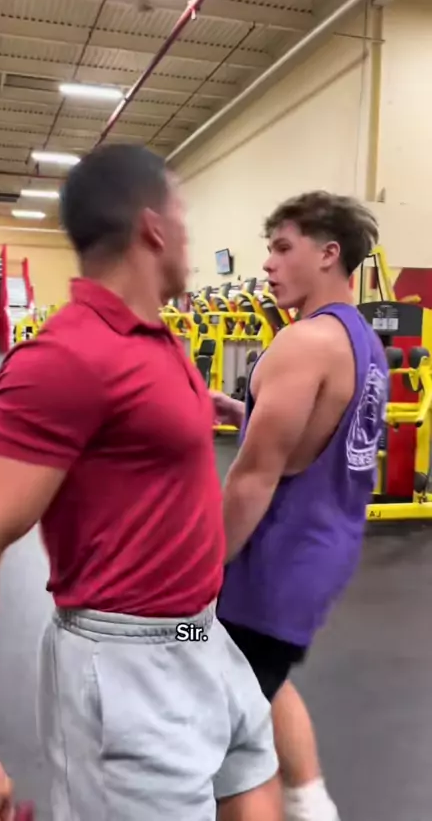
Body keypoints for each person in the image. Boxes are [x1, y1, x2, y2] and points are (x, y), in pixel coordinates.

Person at [0, 145, 281, 821]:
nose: (190, 235)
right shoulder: (64, 357)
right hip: (126, 664)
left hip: (198, 635)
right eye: (183, 214)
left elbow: (133, 414)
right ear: (154, 227)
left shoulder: (155, 340)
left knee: (257, 785)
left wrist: (206, 408)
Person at [212, 192, 389, 821]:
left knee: (215, 733)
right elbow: (317, 441)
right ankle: (310, 802)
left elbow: (253, 480)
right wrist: (247, 412)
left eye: (283, 248)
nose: (268, 263)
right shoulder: (363, 344)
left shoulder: (303, 343)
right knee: (262, 676)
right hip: (318, 562)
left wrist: (198, 574)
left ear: (328, 253)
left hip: (267, 571)